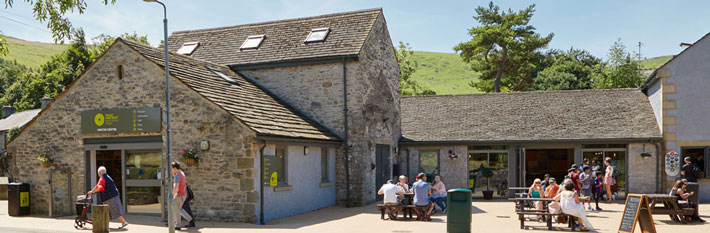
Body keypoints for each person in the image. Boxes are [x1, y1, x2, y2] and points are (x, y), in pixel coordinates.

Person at [172, 162, 193, 230]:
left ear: (175, 168)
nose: (171, 170)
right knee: (180, 209)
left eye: (172, 169)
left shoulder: (177, 175)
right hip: (184, 194)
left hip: (179, 195)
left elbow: (176, 187)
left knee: (176, 210)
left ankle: (178, 225)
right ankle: (190, 219)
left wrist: (172, 195)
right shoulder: (182, 173)